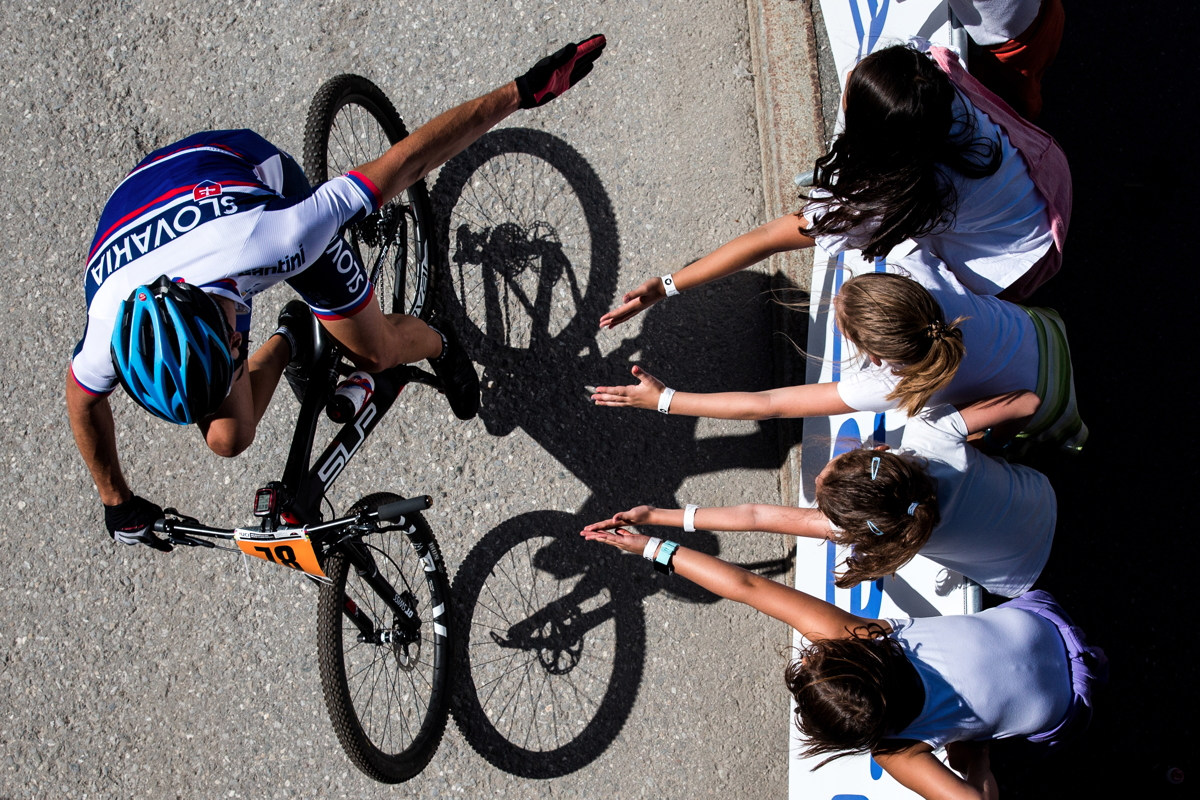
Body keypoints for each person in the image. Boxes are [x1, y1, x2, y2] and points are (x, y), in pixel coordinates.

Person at [68, 35, 606, 549]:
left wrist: (523, 91)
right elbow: (83, 401)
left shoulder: (279, 236)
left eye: (234, 355)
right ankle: (294, 334)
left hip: (242, 172)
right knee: (228, 436)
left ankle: (437, 338)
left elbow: (412, 160)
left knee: (377, 352)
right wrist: (117, 502)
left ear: (223, 327)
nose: (237, 358)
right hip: (138, 208)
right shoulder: (108, 329)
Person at [578, 523, 1105, 799]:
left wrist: (978, 756)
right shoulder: (866, 635)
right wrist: (651, 547)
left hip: (1068, 705)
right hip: (1046, 621)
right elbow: (744, 585)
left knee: (992, 734)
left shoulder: (897, 751)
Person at [598, 41, 1068, 322]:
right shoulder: (925, 84)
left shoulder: (882, 200)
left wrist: (666, 285)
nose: (845, 85)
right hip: (1047, 173)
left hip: (1022, 254)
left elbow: (770, 237)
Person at [592, 252, 1087, 453]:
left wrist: (664, 399)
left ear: (875, 355)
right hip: (1048, 330)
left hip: (1058, 406)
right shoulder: (922, 273)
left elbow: (770, 404)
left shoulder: (889, 385)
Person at [589, 389, 1054, 597]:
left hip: (1020, 578)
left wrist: (656, 518)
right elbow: (1029, 402)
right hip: (1046, 496)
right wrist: (992, 444)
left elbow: (755, 517)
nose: (816, 479)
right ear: (876, 452)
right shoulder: (930, 434)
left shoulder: (883, 535)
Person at [940, 0, 1065, 121]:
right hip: (1040, 11)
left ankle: (1024, 123)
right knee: (1044, 55)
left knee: (1020, 96)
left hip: (1014, 44)